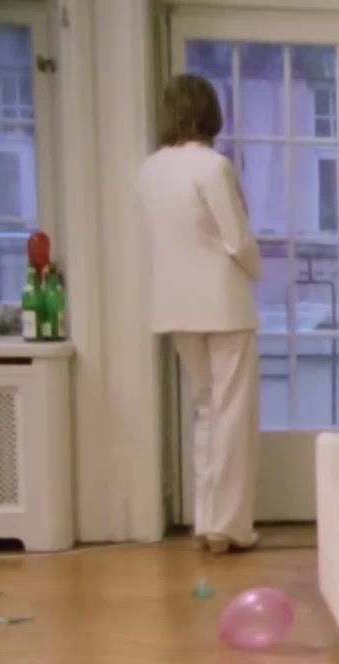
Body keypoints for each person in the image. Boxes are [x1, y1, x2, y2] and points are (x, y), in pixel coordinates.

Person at [138, 74, 262, 553]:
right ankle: (228, 527)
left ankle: (207, 519)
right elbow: (238, 240)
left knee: (205, 410)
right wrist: (256, 270)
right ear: (210, 113)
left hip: (175, 305)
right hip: (224, 304)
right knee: (233, 416)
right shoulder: (214, 167)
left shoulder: (149, 170)